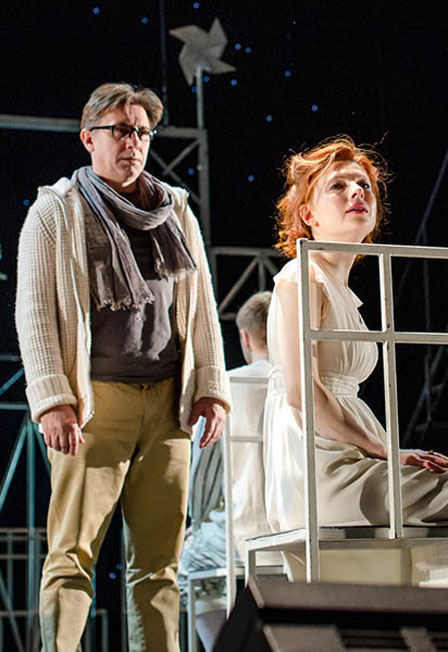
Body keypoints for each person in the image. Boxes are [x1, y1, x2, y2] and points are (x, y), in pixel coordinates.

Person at [15, 82, 230, 651]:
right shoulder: (56, 210)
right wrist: (53, 398)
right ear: (89, 138)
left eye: (141, 131)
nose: (133, 142)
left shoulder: (174, 209)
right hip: (94, 402)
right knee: (71, 555)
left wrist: (211, 386)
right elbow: (33, 311)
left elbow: (201, 303)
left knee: (160, 565)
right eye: (120, 130)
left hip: (168, 402)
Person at [264, 135, 448, 583]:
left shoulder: (345, 293)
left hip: (354, 456)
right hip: (321, 468)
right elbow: (303, 395)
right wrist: (387, 451)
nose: (356, 192)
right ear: (308, 215)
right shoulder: (302, 275)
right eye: (338, 186)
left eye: (363, 185)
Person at [178, 291, 277, 651]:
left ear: (245, 338)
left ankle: (222, 645)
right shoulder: (304, 385)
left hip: (242, 530)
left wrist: (198, 522)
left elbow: (204, 476)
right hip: (295, 526)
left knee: (188, 561)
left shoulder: (228, 388)